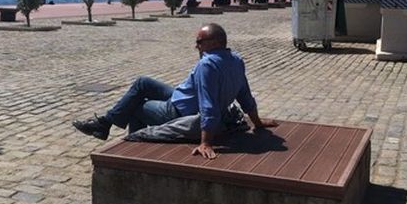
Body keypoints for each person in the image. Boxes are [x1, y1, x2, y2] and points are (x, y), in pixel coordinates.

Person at [72, 23, 278, 159]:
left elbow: (208, 105)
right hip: (183, 97)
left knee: (135, 107)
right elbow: (244, 95)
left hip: (179, 110)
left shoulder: (207, 65)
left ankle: (133, 148)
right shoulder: (236, 60)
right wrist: (258, 123)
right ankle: (105, 123)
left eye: (200, 42)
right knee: (142, 83)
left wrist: (206, 142)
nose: (196, 46)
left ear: (215, 42)